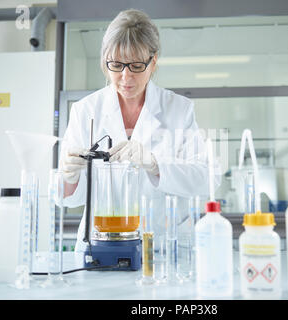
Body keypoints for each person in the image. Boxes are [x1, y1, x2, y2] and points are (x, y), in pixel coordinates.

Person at [59, 9, 221, 252]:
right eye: (116, 65)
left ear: (153, 61)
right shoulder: (85, 111)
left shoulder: (179, 109)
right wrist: (69, 178)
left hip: (165, 246)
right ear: (105, 62)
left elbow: (207, 179)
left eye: (136, 65)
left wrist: (155, 163)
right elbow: (70, 199)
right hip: (101, 244)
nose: (126, 77)